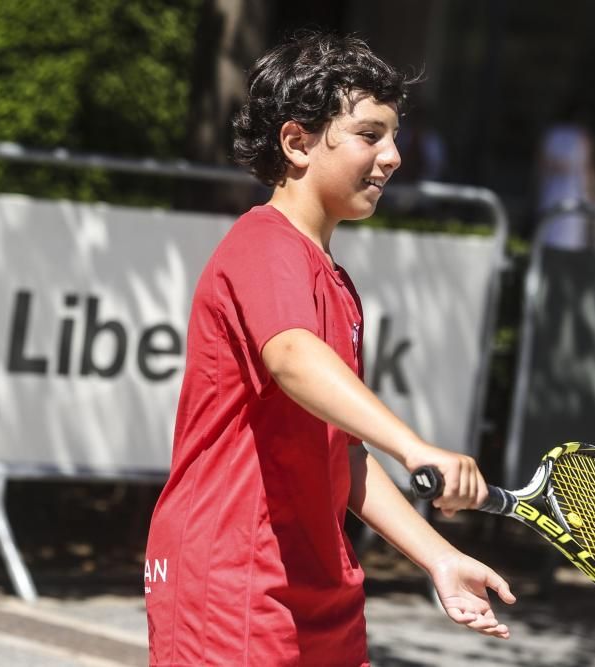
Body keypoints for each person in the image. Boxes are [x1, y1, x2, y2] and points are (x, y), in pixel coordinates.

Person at [144, 31, 515, 667]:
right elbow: (291, 358)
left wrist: (440, 556)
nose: (393, 156)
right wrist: (416, 446)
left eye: (394, 137)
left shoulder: (335, 283)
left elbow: (341, 453)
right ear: (297, 142)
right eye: (371, 135)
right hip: (231, 586)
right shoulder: (262, 244)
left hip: (320, 591)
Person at [535, 103, 595, 250]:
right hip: (571, 197)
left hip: (555, 196)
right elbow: (589, 171)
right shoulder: (582, 136)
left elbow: (541, 167)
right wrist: (594, 198)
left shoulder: (552, 134)